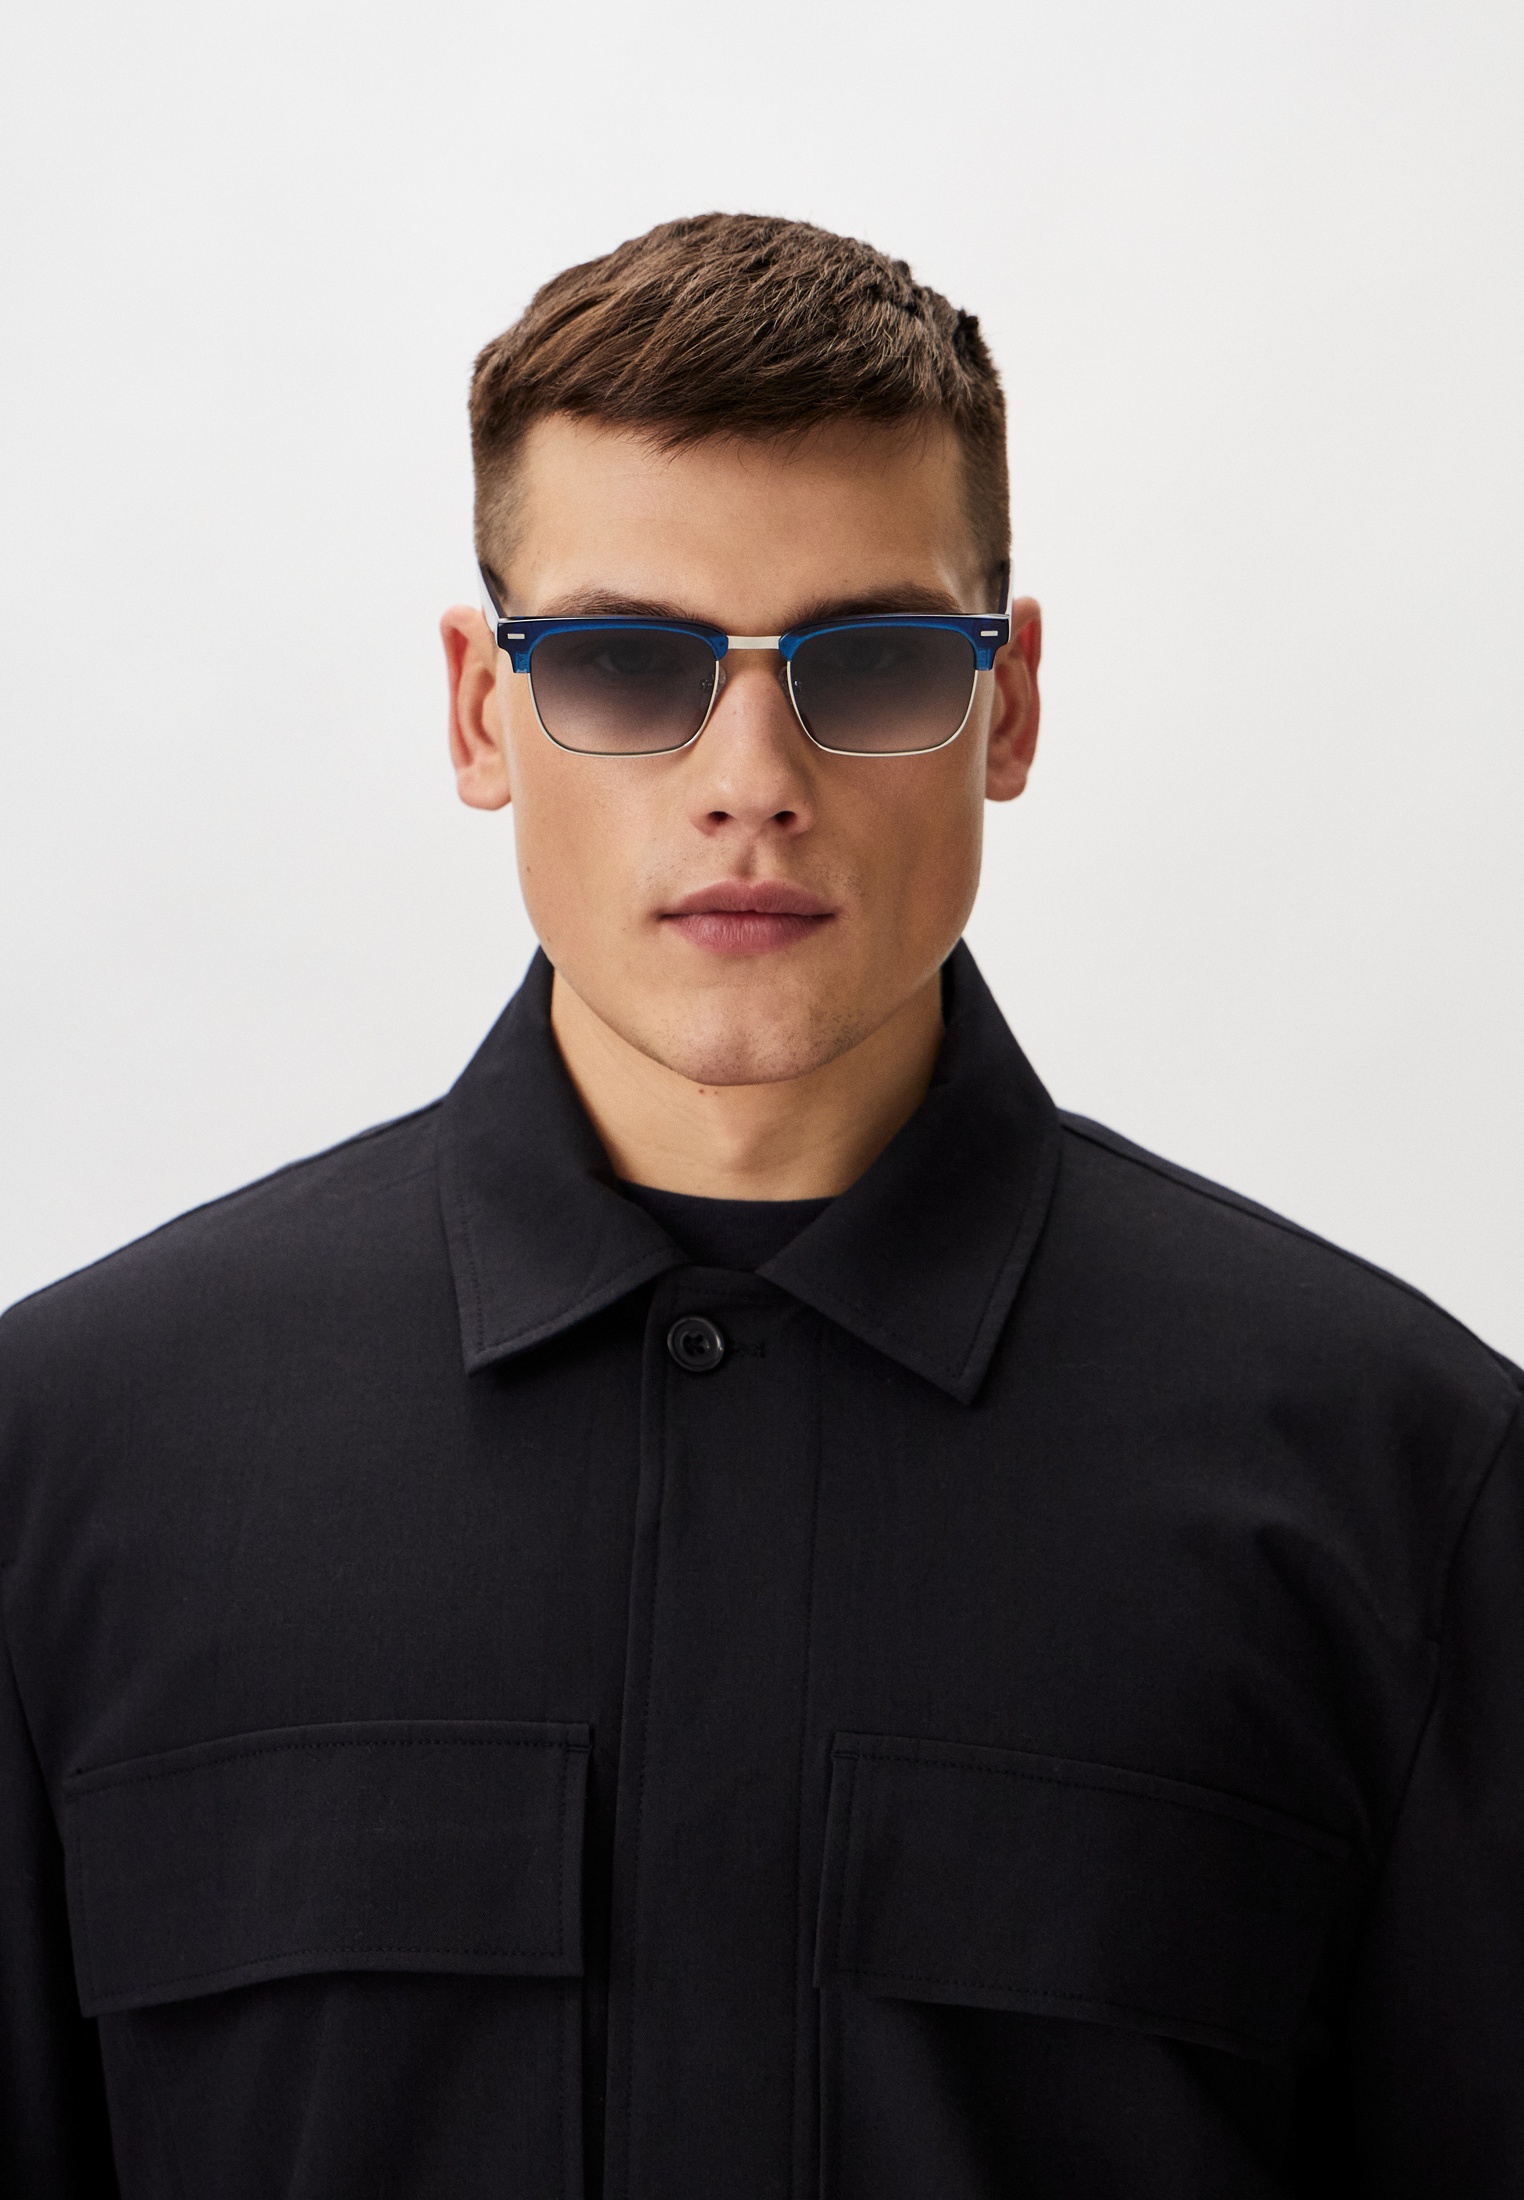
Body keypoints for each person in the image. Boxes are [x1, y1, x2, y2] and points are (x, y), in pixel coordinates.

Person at [1, 211, 1520, 2200]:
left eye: (868, 660)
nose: (751, 780)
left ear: (1010, 701)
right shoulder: (67, 1464)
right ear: (479, 710)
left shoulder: (1410, 1490)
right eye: (623, 663)